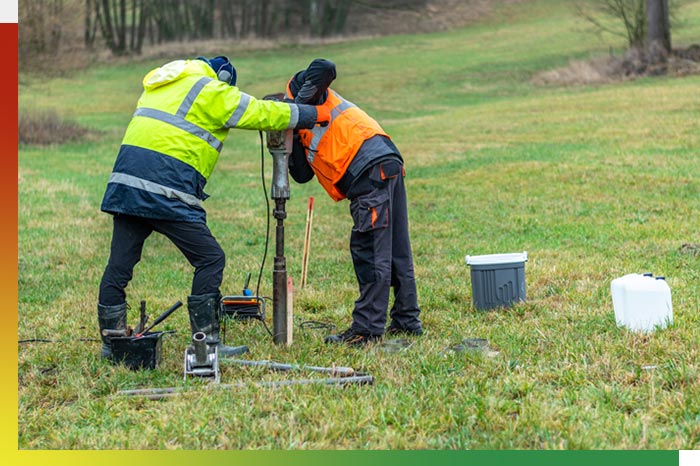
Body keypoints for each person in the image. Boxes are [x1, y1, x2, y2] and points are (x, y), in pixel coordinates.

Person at [97, 55, 329, 360]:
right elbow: (258, 111)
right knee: (210, 258)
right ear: (222, 76)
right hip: (167, 190)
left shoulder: (161, 84)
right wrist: (308, 114)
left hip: (127, 186)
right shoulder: (210, 89)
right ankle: (206, 344)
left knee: (120, 264)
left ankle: (112, 344)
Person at [286, 58, 422, 346]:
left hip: (367, 167)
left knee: (369, 250)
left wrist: (298, 105)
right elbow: (300, 174)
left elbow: (324, 67)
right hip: (385, 161)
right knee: (396, 248)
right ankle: (407, 320)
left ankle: (367, 330)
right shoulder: (296, 128)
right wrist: (289, 134)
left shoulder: (301, 91)